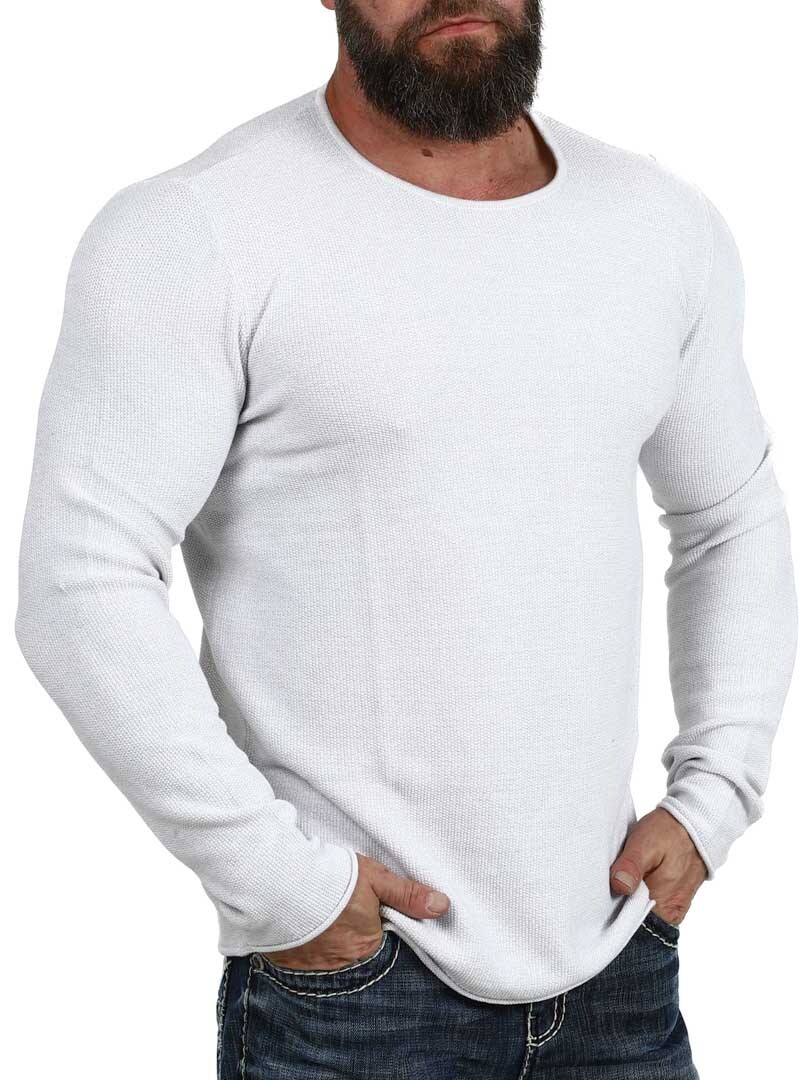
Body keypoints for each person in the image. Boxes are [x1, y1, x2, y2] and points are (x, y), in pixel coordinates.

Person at [15, 2, 798, 1078]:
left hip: (620, 965)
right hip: (356, 990)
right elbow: (80, 576)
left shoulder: (659, 226)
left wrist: (714, 798)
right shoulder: (197, 230)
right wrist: (280, 882)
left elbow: (728, 516)